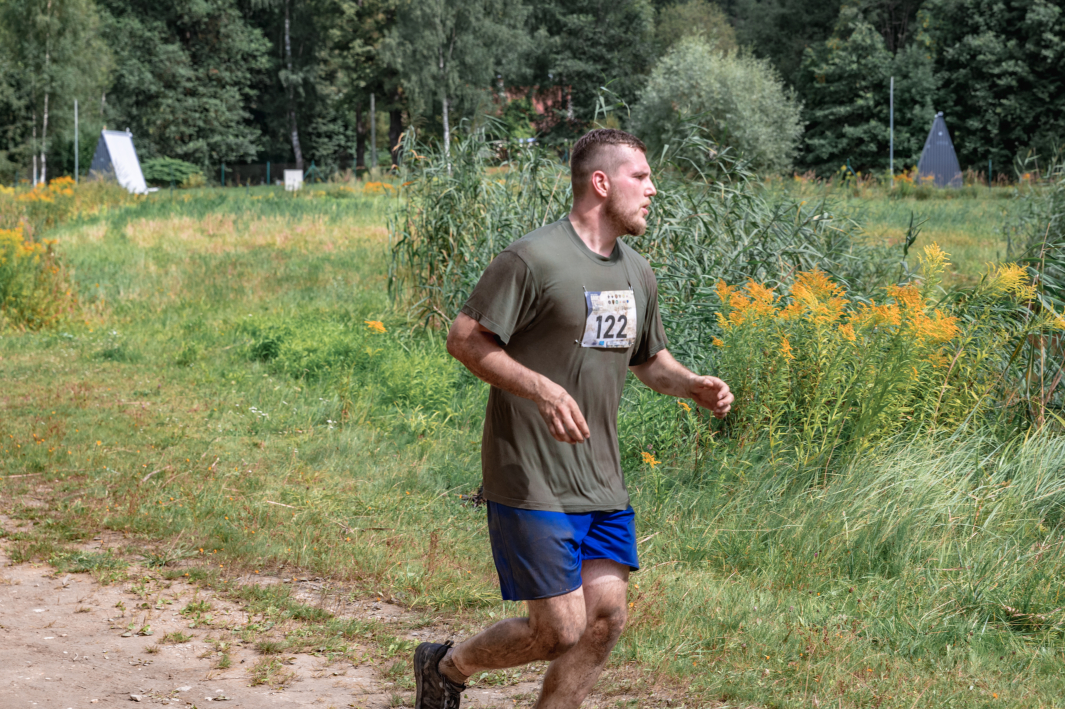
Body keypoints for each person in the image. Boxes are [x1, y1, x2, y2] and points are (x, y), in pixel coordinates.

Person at [413, 128, 734, 709]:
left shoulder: (638, 272)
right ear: (601, 182)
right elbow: (464, 339)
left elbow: (650, 361)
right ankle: (447, 667)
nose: (652, 190)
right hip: (531, 475)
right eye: (641, 177)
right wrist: (541, 389)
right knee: (558, 630)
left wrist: (692, 385)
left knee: (604, 621)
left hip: (601, 479)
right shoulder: (533, 259)